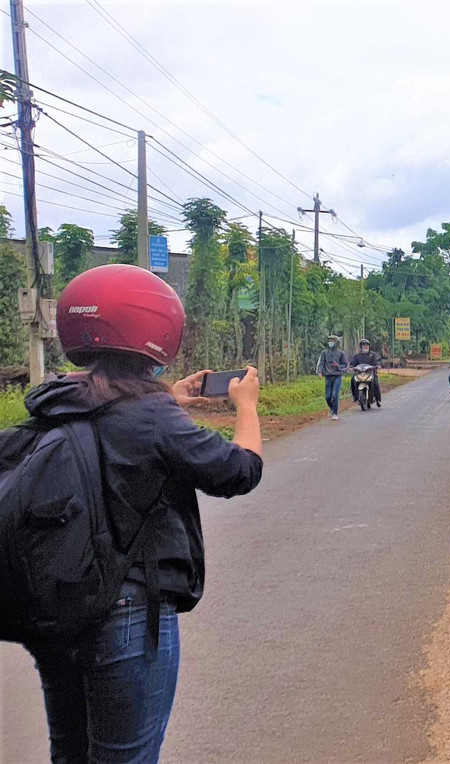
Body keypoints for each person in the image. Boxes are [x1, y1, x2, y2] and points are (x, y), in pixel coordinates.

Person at [8, 264, 263, 763]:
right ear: (157, 329)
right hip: (124, 615)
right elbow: (238, 471)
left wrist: (168, 397)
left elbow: (112, 423)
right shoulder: (150, 415)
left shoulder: (54, 401)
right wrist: (246, 407)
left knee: (71, 754)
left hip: (57, 610)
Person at [316, 336, 349, 420]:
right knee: (327, 396)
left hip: (337, 376)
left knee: (335, 395)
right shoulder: (324, 353)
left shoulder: (341, 353)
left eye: (332, 341)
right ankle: (331, 408)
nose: (330, 342)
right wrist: (319, 372)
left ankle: (335, 412)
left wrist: (338, 366)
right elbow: (321, 363)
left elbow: (345, 365)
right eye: (329, 340)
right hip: (328, 376)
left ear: (336, 342)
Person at [350, 339, 382, 407]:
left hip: (371, 373)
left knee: (375, 383)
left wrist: (378, 365)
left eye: (367, 345)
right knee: (353, 380)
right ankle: (355, 397)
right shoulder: (357, 356)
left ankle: (378, 399)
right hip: (359, 374)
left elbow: (377, 361)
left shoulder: (373, 355)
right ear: (361, 346)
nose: (365, 347)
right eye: (364, 345)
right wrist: (352, 367)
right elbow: (352, 364)